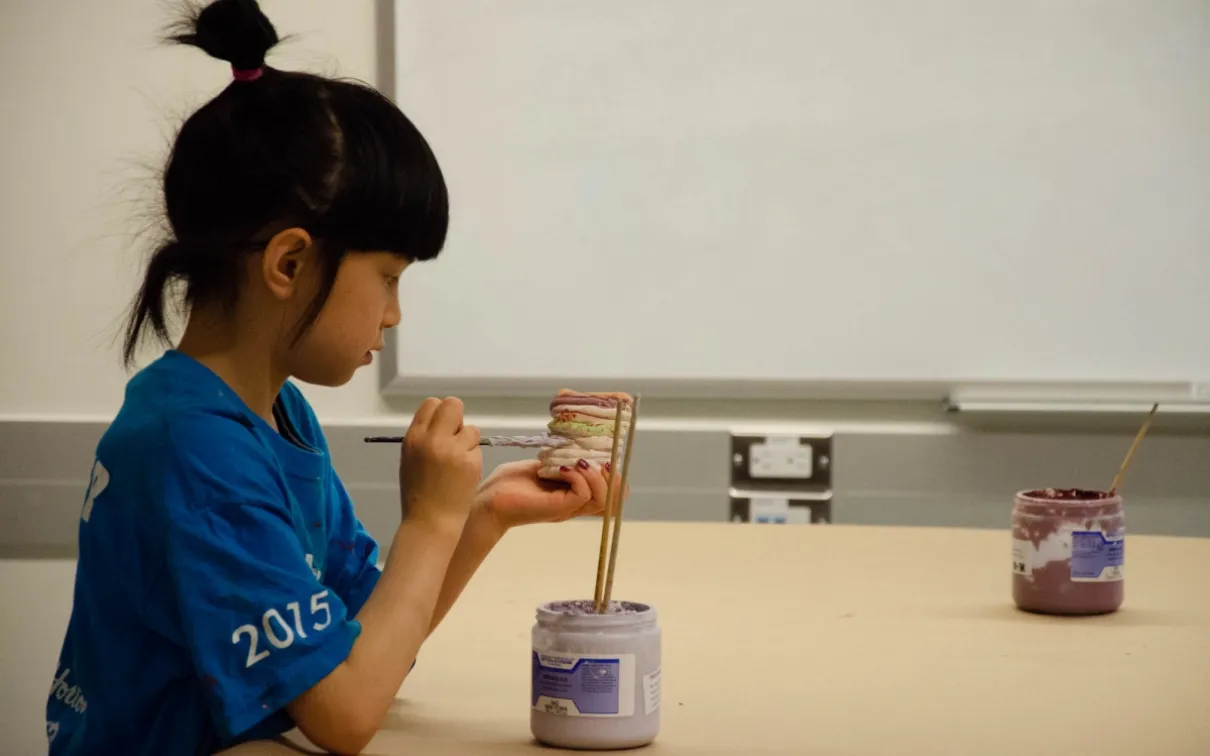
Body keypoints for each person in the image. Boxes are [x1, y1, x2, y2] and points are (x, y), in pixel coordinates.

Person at [44, 1, 621, 754]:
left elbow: (360, 645)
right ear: (289, 263)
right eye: (387, 277)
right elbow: (345, 715)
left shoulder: (272, 412)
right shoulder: (194, 449)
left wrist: (479, 517)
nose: (394, 316)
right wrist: (429, 521)